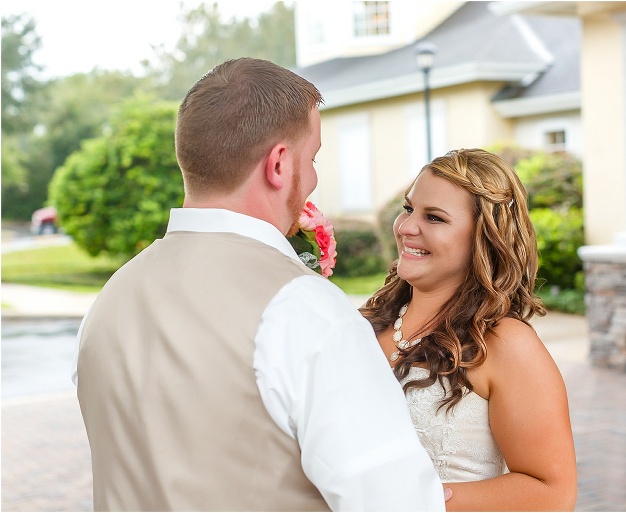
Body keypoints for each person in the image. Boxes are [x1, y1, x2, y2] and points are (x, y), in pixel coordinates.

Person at [72, 58, 447, 511]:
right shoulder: (306, 309)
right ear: (279, 165)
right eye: (312, 159)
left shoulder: (109, 299)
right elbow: (396, 503)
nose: (311, 178)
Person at [360, 148, 578, 511]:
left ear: (484, 237)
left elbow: (552, 493)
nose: (407, 227)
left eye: (435, 218)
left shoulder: (505, 345)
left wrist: (411, 502)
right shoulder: (363, 324)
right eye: (409, 208)